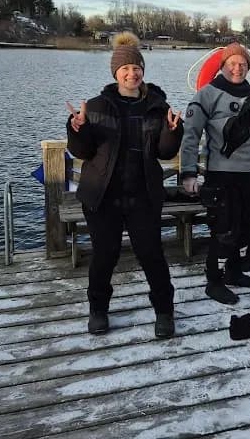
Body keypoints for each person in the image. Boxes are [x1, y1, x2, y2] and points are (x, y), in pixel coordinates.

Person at [66, 32, 184, 338]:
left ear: (142, 71)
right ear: (116, 73)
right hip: (103, 197)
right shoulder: (96, 106)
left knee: (151, 254)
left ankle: (164, 312)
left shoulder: (158, 106)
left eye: (136, 68)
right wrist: (76, 128)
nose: (132, 74)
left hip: (142, 196)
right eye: (125, 69)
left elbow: (165, 152)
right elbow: (82, 152)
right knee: (105, 255)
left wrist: (173, 130)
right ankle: (98, 310)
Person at [180, 42, 250, 305]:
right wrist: (189, 173)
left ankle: (234, 273)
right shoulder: (207, 94)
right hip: (220, 175)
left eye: (242, 64)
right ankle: (214, 281)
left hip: (249, 175)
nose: (237, 68)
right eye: (232, 64)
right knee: (222, 230)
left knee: (246, 226)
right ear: (222, 66)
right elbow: (190, 137)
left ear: (249, 67)